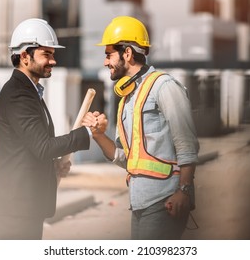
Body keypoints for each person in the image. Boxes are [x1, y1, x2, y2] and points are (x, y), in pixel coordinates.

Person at [84, 16, 199, 239]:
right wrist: (98, 135)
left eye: (108, 55)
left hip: (165, 201)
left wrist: (184, 191)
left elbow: (187, 144)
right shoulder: (128, 97)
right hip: (139, 203)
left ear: (127, 53)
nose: (105, 62)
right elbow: (127, 159)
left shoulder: (164, 86)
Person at [0, 18, 100, 239]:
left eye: (52, 54)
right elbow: (43, 147)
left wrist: (54, 166)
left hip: (25, 204)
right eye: (46, 54)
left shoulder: (30, 92)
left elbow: (30, 148)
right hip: (17, 207)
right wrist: (86, 132)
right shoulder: (18, 95)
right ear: (25, 56)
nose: (53, 61)